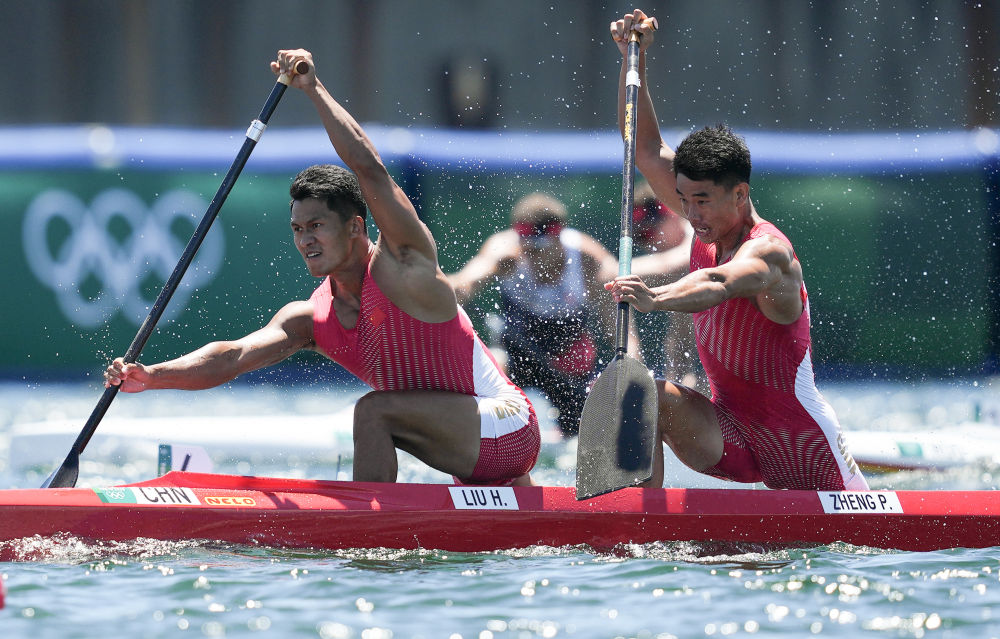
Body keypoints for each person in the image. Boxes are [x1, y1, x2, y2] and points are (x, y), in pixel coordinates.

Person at [104, 49, 540, 487]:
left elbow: (368, 169)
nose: (305, 239)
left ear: (354, 226)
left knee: (373, 413)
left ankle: (366, 544)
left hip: (511, 425)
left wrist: (312, 89)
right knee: (385, 417)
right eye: (297, 229)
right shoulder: (312, 319)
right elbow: (233, 356)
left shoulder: (404, 265)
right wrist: (153, 376)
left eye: (316, 226)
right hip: (466, 443)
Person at [605, 10, 867, 491]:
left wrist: (655, 298)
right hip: (730, 433)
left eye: (702, 201)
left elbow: (719, 282)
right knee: (645, 393)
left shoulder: (769, 254)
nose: (691, 212)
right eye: (684, 199)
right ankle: (643, 534)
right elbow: (642, 149)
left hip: (802, 445)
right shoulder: (702, 217)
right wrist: (632, 60)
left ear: (740, 194)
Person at [448, 193, 638, 438]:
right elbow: (462, 287)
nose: (534, 258)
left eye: (540, 251)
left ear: (559, 239)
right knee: (497, 362)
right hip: (518, 346)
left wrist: (631, 379)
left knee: (582, 404)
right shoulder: (504, 253)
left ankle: (572, 430)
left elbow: (623, 333)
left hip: (567, 353)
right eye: (528, 251)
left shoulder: (589, 260)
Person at [630, 180, 704, 390]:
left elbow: (671, 264)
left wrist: (616, 272)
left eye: (649, 233)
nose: (648, 243)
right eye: (640, 238)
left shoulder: (699, 229)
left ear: (671, 214)